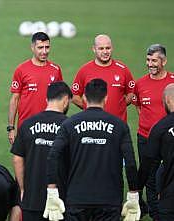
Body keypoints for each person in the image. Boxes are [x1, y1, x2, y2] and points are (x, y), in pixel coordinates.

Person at [45, 79, 139, 221]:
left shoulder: (69, 124)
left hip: (77, 198)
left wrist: (51, 191)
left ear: (84, 97)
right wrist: (133, 194)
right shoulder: (120, 126)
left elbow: (53, 156)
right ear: (106, 98)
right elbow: (131, 163)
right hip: (109, 199)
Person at [11, 81, 72, 221]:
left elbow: (17, 159)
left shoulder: (27, 124)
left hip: (32, 198)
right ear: (65, 100)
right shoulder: (70, 126)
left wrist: (22, 188)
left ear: (46, 99)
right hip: (60, 198)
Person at [133, 44, 174, 220]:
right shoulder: (140, 83)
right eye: (148, 60)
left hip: (170, 139)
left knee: (168, 174)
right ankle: (156, 214)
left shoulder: (172, 83)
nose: (150, 64)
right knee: (150, 177)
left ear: (163, 61)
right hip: (145, 138)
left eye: (154, 60)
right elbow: (139, 107)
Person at [8, 32, 63, 144]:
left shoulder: (56, 70)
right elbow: (14, 99)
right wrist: (11, 128)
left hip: (49, 127)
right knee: (24, 161)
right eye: (40, 47)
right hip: (26, 127)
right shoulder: (21, 69)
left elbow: (60, 99)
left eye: (47, 47)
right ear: (32, 48)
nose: (44, 51)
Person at [71, 34, 135, 122]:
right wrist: (89, 107)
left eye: (108, 48)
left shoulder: (122, 69)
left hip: (117, 125)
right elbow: (74, 96)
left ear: (112, 48)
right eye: (101, 48)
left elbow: (131, 93)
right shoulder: (84, 70)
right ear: (94, 49)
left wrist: (120, 106)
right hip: (93, 125)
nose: (105, 52)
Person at [137, 83, 174, 221]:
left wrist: (137, 189)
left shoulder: (160, 128)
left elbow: (147, 164)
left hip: (169, 196)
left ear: (167, 100)